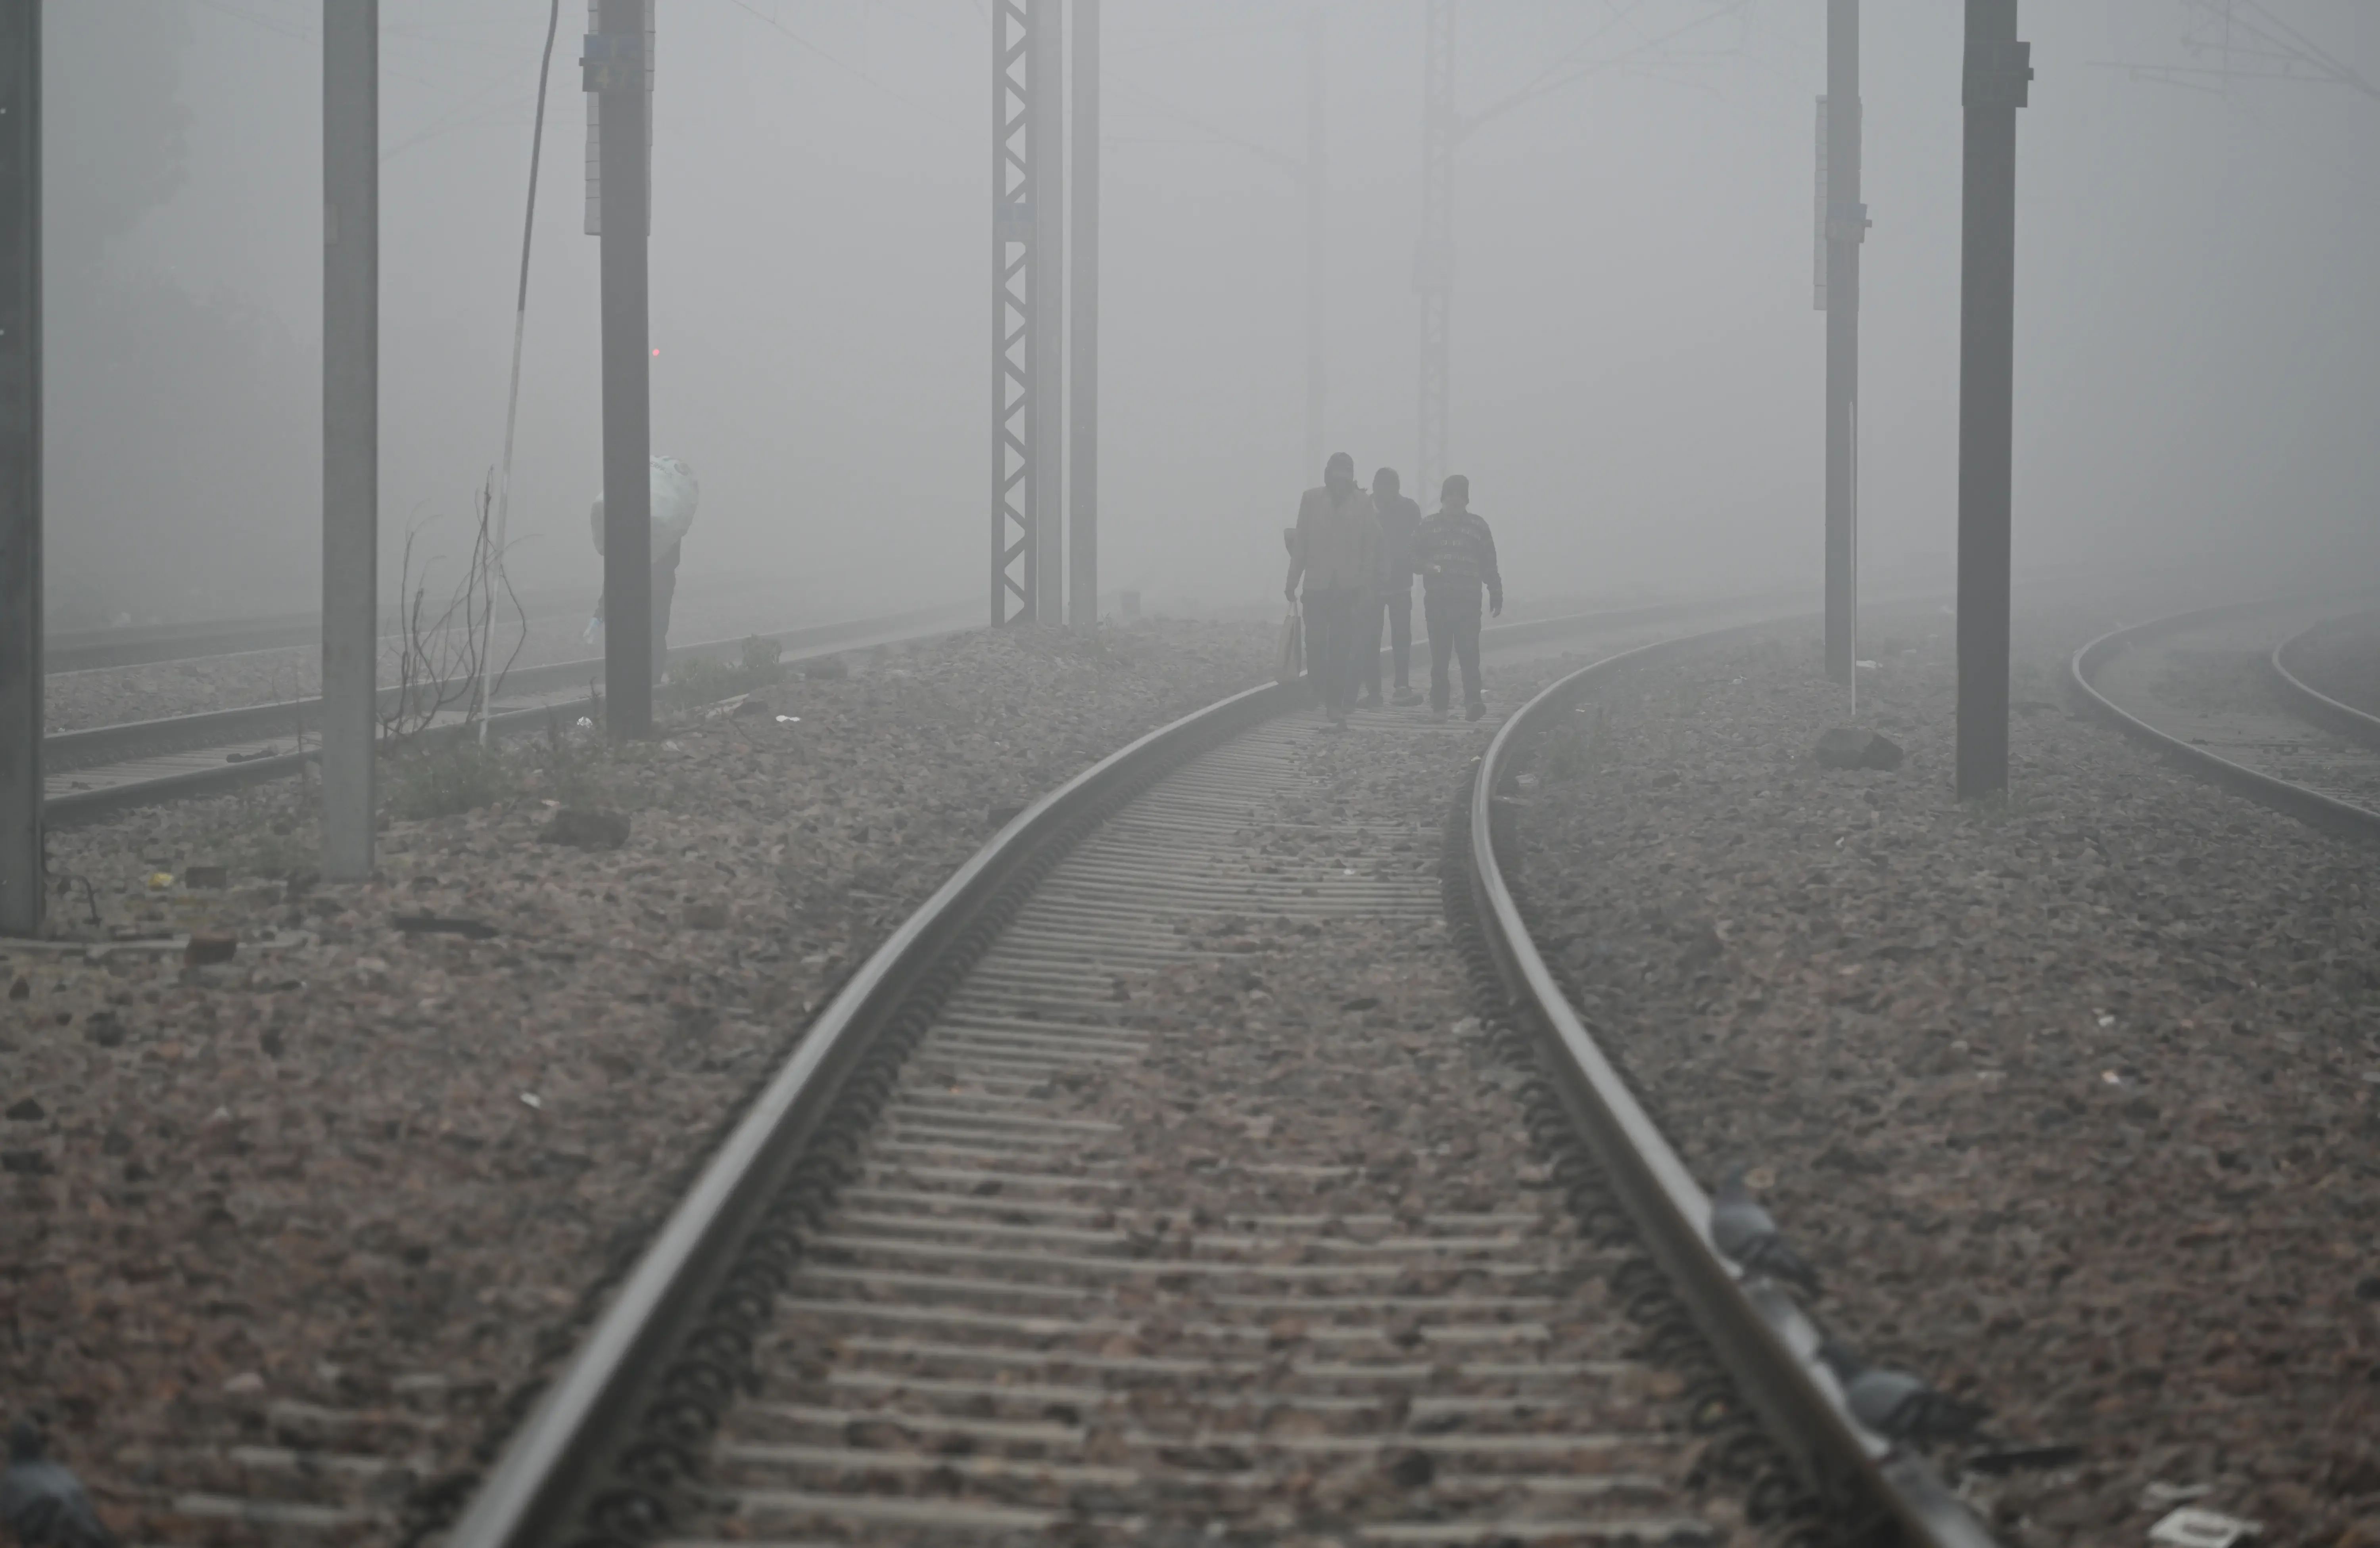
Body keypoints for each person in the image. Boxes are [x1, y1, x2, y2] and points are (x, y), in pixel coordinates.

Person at [1284, 451, 1380, 731]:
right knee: (1315, 643)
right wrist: (1292, 581)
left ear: (1351, 479)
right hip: (1316, 584)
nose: (1340, 483)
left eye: (1345, 478)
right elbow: (1301, 542)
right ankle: (1317, 686)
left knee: (1341, 647)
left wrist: (1366, 583)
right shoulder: (1311, 500)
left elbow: (1369, 546)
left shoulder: (1364, 504)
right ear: (1328, 477)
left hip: (1348, 587)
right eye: (1336, 477)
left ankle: (1334, 704)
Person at [588, 455, 699, 683]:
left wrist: (601, 611)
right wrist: (600, 612)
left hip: (655, 581)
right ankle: (646, 684)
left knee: (650, 631)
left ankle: (647, 685)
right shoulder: (662, 526)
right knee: (653, 632)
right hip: (656, 581)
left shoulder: (658, 529)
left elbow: (616, 574)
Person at [1414, 473, 1502, 721]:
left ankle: (1473, 702)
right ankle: (1440, 707)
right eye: (1450, 495)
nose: (1455, 500)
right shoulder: (1427, 526)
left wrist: (1496, 592)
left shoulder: (1478, 526)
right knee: (1439, 657)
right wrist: (1426, 566)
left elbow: (1489, 563)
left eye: (1460, 495)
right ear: (1443, 498)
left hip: (1468, 602)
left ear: (1466, 499)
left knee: (1469, 653)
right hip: (1438, 602)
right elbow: (1412, 557)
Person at [1359, 466, 1423, 708]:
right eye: (1382, 488)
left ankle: (1399, 687)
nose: (1385, 494)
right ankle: (1377, 692)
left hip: (1399, 583)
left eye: (1390, 489)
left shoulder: (1409, 509)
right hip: (1373, 585)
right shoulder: (1364, 507)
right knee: (1373, 640)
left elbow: (1419, 541)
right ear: (1375, 487)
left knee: (1399, 638)